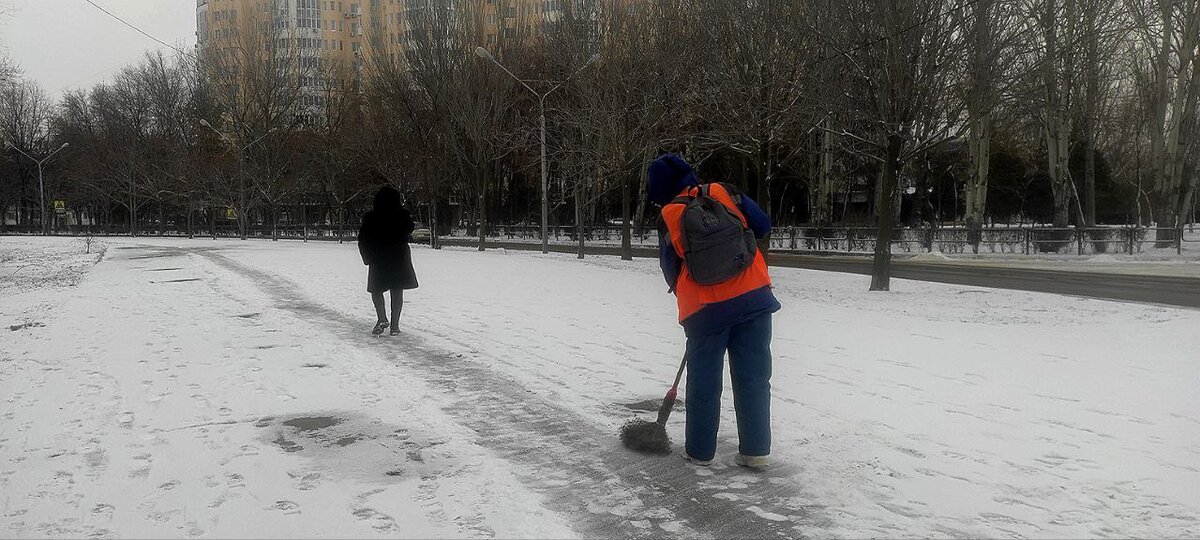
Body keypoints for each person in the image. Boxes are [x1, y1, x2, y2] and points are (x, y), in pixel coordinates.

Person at [647, 153, 781, 469]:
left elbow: (670, 268)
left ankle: (699, 451)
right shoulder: (724, 191)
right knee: (754, 378)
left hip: (705, 312)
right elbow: (762, 225)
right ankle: (756, 451)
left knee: (704, 382)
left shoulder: (669, 214)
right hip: (754, 298)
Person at [358, 186, 419, 335]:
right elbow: (409, 229)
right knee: (397, 291)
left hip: (378, 257)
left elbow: (363, 239)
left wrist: (367, 257)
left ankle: (382, 318)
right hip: (398, 258)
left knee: (376, 289)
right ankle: (395, 327)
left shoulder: (370, 217)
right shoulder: (402, 215)